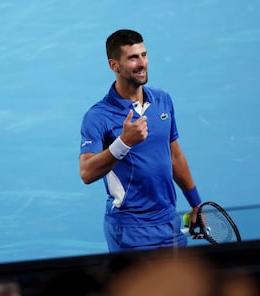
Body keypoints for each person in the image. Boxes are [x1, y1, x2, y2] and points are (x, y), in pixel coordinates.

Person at [79, 29, 202, 252]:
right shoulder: (98, 116)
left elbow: (174, 155)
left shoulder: (163, 100)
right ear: (114, 66)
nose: (142, 63)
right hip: (129, 229)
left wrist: (195, 202)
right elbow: (86, 173)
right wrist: (123, 143)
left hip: (168, 222)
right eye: (133, 58)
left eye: (144, 55)